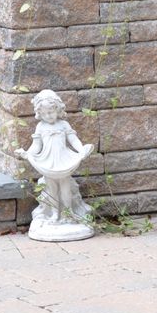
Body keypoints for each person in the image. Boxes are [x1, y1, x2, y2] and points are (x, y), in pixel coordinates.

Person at [15, 89, 94, 225]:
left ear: (58, 109)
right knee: (51, 189)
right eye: (44, 113)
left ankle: (68, 213)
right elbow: (36, 145)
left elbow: (73, 140)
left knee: (65, 187)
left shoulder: (63, 124)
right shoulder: (40, 126)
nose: (48, 116)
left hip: (63, 160)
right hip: (48, 161)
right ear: (39, 113)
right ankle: (54, 214)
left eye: (51, 112)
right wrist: (27, 154)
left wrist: (82, 150)